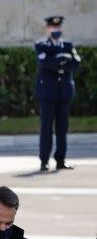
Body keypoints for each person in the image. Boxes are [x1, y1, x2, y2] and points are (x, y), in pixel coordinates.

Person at [34, 15, 81, 172]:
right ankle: (44, 161)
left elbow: (76, 63)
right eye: (53, 27)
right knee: (46, 128)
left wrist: (58, 60)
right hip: (47, 94)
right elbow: (44, 63)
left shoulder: (67, 45)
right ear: (48, 29)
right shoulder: (41, 45)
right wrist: (61, 59)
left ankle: (60, 159)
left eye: (58, 27)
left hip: (64, 93)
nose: (56, 30)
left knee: (62, 128)